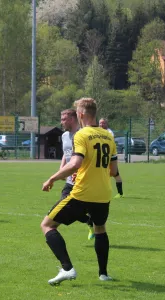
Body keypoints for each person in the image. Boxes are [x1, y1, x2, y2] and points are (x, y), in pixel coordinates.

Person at [41, 98, 117, 285]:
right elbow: (114, 171)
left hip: (83, 192)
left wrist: (53, 178)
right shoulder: (108, 136)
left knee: (47, 225)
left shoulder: (81, 135)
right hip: (104, 193)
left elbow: (75, 164)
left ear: (81, 114)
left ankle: (67, 268)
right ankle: (103, 274)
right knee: (100, 229)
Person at [60, 109, 95, 240]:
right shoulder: (64, 136)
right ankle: (89, 221)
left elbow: (87, 157)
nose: (61, 122)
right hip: (70, 180)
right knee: (64, 206)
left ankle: (90, 220)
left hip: (82, 179)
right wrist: (61, 169)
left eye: (64, 119)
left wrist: (79, 172)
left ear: (72, 119)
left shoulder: (82, 135)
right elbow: (66, 153)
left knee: (71, 208)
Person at [99, 118, 124, 198]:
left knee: (115, 174)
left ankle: (120, 193)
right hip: (102, 156)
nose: (101, 125)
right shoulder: (98, 132)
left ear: (107, 124)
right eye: (100, 123)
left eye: (103, 123)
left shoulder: (109, 133)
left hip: (110, 157)